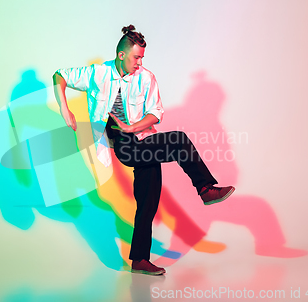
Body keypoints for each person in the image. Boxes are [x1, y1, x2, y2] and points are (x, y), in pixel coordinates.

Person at [53, 25, 235, 276]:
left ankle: (139, 260)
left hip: (143, 141)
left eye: (142, 58)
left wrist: (132, 127)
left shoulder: (147, 77)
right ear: (121, 55)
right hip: (125, 147)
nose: (140, 63)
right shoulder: (96, 73)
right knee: (180, 140)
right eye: (136, 57)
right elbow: (59, 76)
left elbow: (155, 114)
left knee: (147, 203)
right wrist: (65, 108)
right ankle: (205, 189)